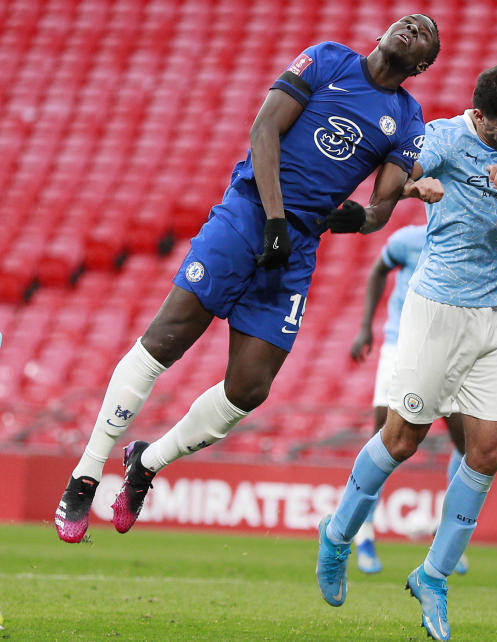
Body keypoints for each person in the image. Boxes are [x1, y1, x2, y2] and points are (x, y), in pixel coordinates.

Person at [54, 15, 442, 544]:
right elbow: (264, 129)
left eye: (423, 34)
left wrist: (363, 219)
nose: (413, 27)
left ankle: (146, 462)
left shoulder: (408, 118)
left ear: (421, 65)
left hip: (298, 247)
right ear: (381, 33)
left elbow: (379, 209)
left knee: (250, 388)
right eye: (408, 21)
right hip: (249, 215)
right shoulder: (328, 59)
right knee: (168, 337)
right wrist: (276, 219)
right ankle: (85, 473)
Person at [315, 64, 497, 641]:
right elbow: (386, 189)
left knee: (486, 453)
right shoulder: (443, 138)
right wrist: (414, 187)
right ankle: (336, 535)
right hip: (438, 310)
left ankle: (434, 575)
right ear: (478, 116)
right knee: (403, 439)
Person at [348, 224, 468, 575]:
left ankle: (448, 539)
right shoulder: (407, 240)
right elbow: (378, 269)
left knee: (467, 443)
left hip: (447, 351)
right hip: (399, 344)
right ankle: (364, 535)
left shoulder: (465, 240)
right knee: (383, 439)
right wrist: (365, 326)